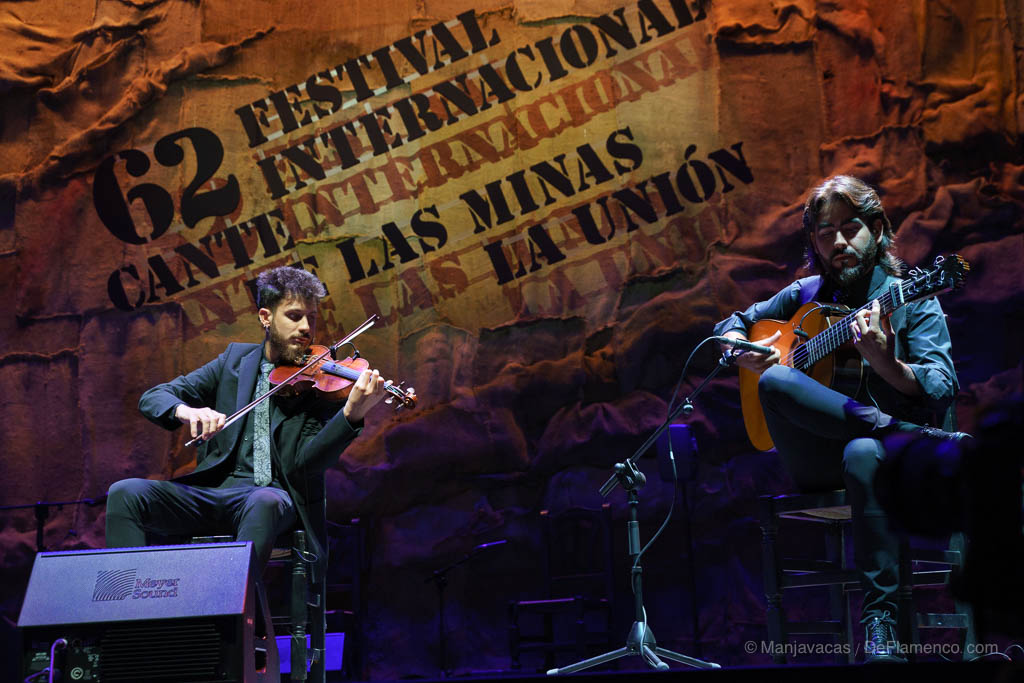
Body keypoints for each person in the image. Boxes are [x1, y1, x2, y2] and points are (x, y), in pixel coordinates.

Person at [713, 175, 969, 662]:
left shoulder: (911, 296)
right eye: (825, 233)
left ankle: (880, 626)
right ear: (814, 242)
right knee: (774, 382)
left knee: (862, 452)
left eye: (850, 228)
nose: (838, 242)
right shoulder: (802, 294)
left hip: (879, 461)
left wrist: (888, 366)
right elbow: (734, 322)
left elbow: (941, 385)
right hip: (814, 455)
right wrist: (735, 347)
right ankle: (921, 437)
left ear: (876, 228)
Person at [106, 266, 386, 572]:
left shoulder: (320, 383)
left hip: (272, 499)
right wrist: (188, 411)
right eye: (294, 316)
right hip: (214, 493)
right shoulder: (233, 362)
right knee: (125, 493)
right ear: (266, 317)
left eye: (312, 317)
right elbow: (153, 398)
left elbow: (305, 466)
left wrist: (350, 415)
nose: (307, 327)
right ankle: (125, 606)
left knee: (261, 503)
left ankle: (233, 614)